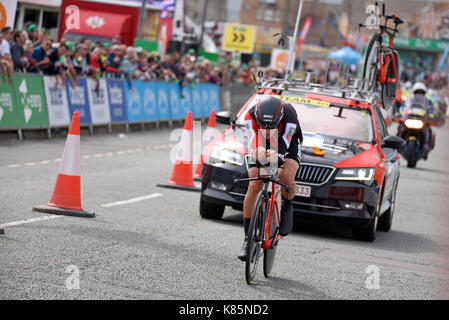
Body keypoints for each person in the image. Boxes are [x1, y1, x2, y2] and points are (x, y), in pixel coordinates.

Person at [238, 95, 303, 261]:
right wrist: (257, 151)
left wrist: (277, 155)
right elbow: (251, 140)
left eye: (271, 127)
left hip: (287, 140)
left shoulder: (289, 114)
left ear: (279, 119)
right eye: (263, 126)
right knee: (254, 181)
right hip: (259, 140)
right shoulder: (250, 115)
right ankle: (247, 239)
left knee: (285, 175)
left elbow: (284, 144)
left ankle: (288, 205)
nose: (267, 130)